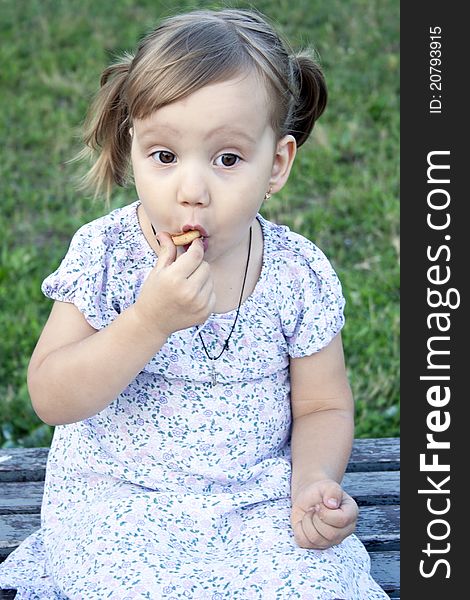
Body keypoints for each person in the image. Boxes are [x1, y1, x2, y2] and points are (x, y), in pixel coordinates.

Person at [0, 8, 388, 599]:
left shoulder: (296, 272)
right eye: (164, 156)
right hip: (119, 500)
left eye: (227, 159)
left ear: (277, 163)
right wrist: (147, 322)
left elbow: (322, 405)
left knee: (314, 580)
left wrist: (313, 480)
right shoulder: (107, 255)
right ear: (134, 147)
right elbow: (51, 397)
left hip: (254, 500)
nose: (191, 190)